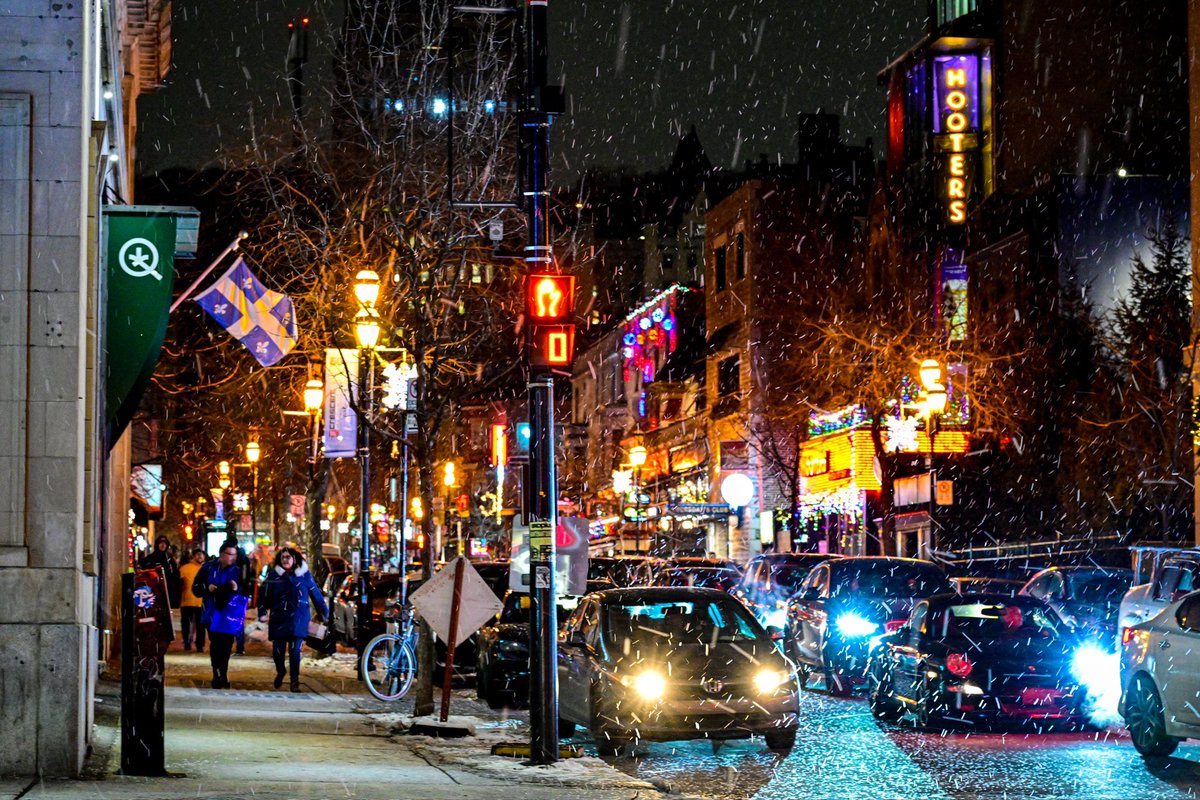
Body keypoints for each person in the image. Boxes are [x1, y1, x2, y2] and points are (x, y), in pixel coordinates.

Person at [258, 546, 328, 692]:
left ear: (294, 559)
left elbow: (316, 594)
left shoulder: (304, 575)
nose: (285, 560)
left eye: (288, 557)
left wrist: (324, 613)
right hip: (279, 618)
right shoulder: (274, 575)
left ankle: (294, 681)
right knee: (278, 651)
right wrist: (262, 611)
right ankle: (281, 670)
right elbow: (263, 595)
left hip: (299, 618)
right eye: (283, 557)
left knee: (295, 651)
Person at [193, 542, 243, 689]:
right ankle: (217, 673)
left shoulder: (238, 570)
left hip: (230, 612)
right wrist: (207, 588)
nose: (232, 558)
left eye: (234, 555)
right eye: (229, 554)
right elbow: (196, 588)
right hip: (212, 611)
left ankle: (223, 672)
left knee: (227, 644)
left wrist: (236, 588)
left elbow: (245, 589)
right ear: (222, 554)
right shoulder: (208, 568)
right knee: (216, 644)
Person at [140, 534, 181, 609]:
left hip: (168, 591)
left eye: (165, 543)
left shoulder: (170, 560)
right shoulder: (151, 558)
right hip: (154, 589)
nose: (163, 545)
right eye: (161, 543)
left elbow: (176, 576)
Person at [177, 548, 207, 652]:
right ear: (193, 556)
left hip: (201, 601)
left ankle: (199, 645)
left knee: (201, 625)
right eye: (198, 554)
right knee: (186, 624)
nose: (200, 556)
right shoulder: (185, 568)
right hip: (187, 600)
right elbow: (179, 584)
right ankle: (186, 642)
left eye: (202, 554)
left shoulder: (206, 568)